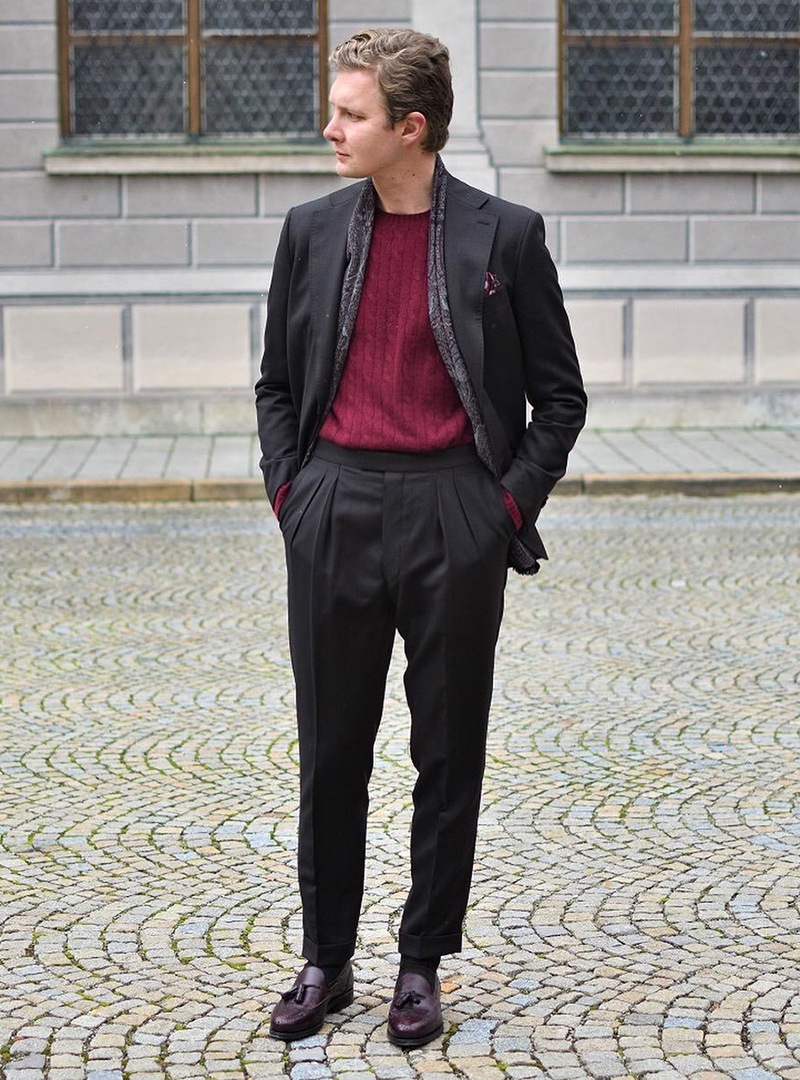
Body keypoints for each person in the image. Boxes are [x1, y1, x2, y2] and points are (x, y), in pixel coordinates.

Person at [254, 26, 586, 1049]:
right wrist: (292, 495)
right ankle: (326, 958)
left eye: (350, 114)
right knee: (329, 756)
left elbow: (558, 399)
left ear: (411, 126)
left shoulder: (505, 236)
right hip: (334, 507)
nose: (330, 128)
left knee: (448, 754)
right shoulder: (311, 231)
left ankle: (417, 962)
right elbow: (274, 384)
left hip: (453, 510)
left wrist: (499, 514)